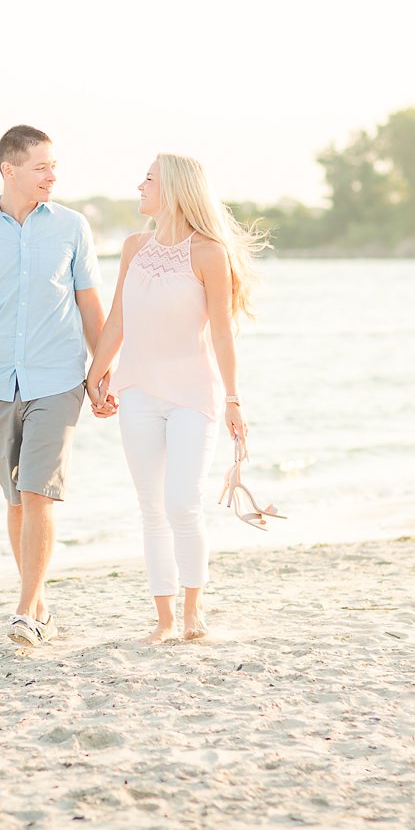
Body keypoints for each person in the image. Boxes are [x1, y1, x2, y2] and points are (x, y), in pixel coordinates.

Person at [86, 153, 267, 644]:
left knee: (182, 502)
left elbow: (224, 335)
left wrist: (234, 398)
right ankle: (164, 620)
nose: (138, 187)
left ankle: (193, 610)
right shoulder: (133, 247)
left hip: (194, 394)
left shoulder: (208, 252)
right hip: (138, 392)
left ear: (174, 189)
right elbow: (118, 321)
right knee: (151, 507)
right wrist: (95, 376)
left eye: (147, 180)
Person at [0, 125, 105, 647]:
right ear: (8, 170)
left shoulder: (73, 228)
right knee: (16, 501)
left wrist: (102, 373)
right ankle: (39, 605)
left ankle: (24, 612)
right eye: (41, 167)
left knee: (39, 494)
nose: (52, 175)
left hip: (59, 380)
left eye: (54, 166)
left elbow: (89, 305)